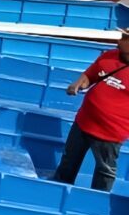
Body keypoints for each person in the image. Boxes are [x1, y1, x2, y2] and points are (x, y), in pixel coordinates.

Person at [54, 30, 129, 192]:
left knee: (105, 170)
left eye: (125, 38)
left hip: (110, 133)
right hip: (84, 121)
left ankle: (98, 200)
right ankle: (58, 189)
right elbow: (90, 75)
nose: (121, 39)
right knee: (68, 161)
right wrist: (78, 84)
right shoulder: (109, 56)